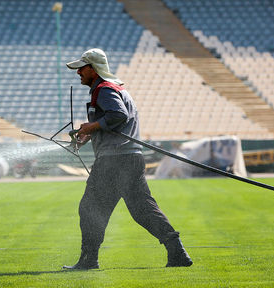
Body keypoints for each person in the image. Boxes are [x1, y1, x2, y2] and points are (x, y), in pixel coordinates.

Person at [63, 48, 193, 270]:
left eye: (82, 68)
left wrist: (92, 125)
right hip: (130, 158)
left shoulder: (103, 89)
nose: (78, 73)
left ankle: (89, 260)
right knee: (143, 210)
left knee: (90, 208)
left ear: (94, 70)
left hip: (114, 161)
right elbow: (114, 121)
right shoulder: (116, 88)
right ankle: (177, 250)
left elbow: (118, 115)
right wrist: (89, 133)